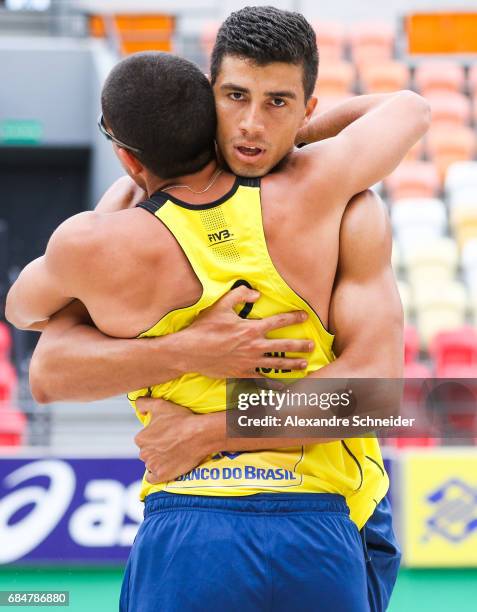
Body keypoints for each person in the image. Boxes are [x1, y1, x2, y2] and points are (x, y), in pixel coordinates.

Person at [6, 7, 430, 611]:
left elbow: (32, 331)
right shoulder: (329, 196)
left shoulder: (109, 231)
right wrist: (192, 348)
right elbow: (409, 107)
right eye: (235, 97)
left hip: (190, 515)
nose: (253, 125)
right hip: (316, 513)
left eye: (278, 104)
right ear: (208, 100)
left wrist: (208, 428)